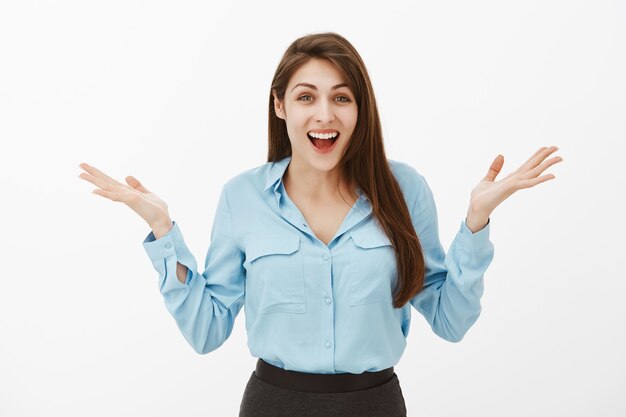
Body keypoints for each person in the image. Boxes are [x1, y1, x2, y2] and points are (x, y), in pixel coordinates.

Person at [78, 32, 563, 417]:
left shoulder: (405, 189)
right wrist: (165, 233)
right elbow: (207, 331)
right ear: (280, 105)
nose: (324, 115)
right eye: (306, 97)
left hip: (376, 406)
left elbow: (451, 320)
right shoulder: (241, 197)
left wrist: (476, 223)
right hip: (272, 406)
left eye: (342, 98)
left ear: (360, 109)